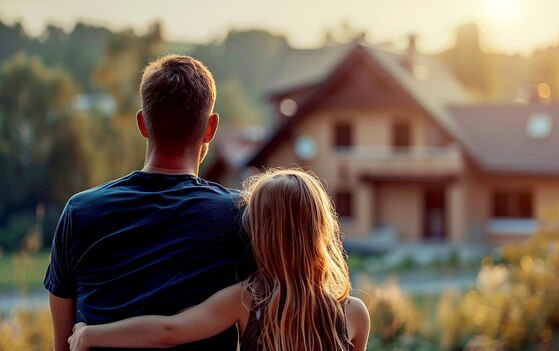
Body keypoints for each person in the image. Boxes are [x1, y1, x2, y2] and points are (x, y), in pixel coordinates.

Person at [44, 54, 255, 351]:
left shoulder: (79, 213)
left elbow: (63, 344)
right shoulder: (241, 216)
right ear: (211, 128)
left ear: (142, 123)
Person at [67, 168, 370, 351]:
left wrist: (90, 334)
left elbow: (168, 331)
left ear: (259, 235)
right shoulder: (354, 314)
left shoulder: (249, 302)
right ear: (322, 230)